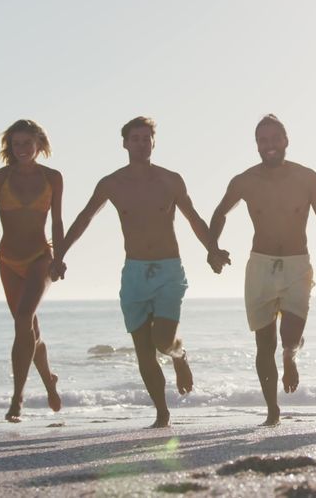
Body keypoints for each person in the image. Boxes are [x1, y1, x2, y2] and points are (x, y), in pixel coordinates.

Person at [50, 117, 212, 428]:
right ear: (124, 143)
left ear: (154, 142)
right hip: (134, 272)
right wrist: (60, 256)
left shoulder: (170, 180)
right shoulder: (111, 184)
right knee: (143, 352)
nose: (141, 143)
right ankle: (162, 414)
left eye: (146, 138)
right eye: (134, 138)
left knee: (164, 340)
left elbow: (193, 217)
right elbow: (84, 219)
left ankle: (179, 356)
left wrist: (213, 250)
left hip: (168, 269)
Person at [208, 114, 316, 426]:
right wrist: (213, 249)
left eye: (275, 139)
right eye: (263, 140)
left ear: (286, 141)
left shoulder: (307, 177)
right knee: (263, 342)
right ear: (257, 145)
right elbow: (219, 213)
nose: (269, 146)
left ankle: (290, 356)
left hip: (297, 264)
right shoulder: (244, 181)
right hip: (261, 265)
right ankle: (272, 410)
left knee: (290, 334)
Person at [0, 120, 63, 422]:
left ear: (39, 144)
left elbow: (58, 222)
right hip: (9, 261)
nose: (22, 149)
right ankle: (49, 379)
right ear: (9, 146)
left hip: (40, 258)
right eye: (16, 143)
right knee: (28, 328)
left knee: (23, 319)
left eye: (27, 143)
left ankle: (17, 398)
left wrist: (60, 257)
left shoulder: (53, 177)